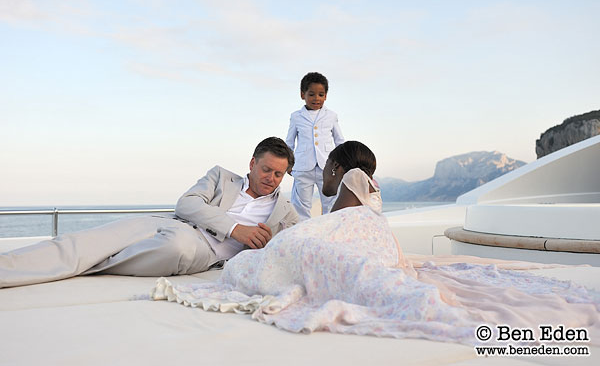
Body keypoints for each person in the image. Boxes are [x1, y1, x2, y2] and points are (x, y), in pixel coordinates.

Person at [153, 141, 600, 346]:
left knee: (277, 261)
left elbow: (331, 226)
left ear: (337, 171)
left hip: (343, 238)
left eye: (326, 170)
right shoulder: (369, 197)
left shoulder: (348, 186)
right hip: (366, 237)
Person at [0, 137, 299, 288]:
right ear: (252, 163)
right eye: (266, 169)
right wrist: (237, 229)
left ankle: (83, 265)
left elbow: (303, 239)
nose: (271, 178)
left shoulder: (285, 213)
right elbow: (187, 204)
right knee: (79, 243)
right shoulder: (221, 176)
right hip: (167, 223)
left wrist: (265, 242)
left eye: (278, 174)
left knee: (176, 248)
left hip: (202, 250)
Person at [285, 72, 344, 220]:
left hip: (328, 167)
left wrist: (342, 163)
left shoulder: (331, 115)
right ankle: (301, 235)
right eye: (311, 94)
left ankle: (329, 232)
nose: (316, 98)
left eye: (321, 94)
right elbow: (289, 142)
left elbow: (339, 141)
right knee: (300, 205)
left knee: (330, 203)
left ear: (326, 96)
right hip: (302, 166)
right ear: (302, 94)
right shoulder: (296, 116)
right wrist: (287, 163)